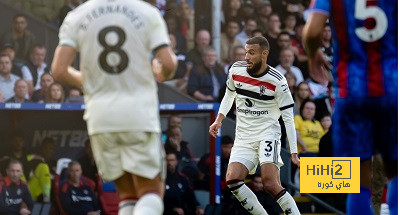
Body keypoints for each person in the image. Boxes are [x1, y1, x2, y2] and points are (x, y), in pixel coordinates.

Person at [51, 0, 178, 214]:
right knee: (151, 192)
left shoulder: (77, 15)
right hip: (138, 115)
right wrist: (160, 73)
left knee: (127, 196)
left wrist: (92, 81)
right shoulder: (147, 13)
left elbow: (59, 70)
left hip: (100, 119)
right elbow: (169, 64)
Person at [303, 1, 398, 214]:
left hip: (352, 90)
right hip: (392, 89)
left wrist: (313, 54)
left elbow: (312, 32)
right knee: (396, 171)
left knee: (358, 179)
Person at [209, 36, 300, 215]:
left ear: (264, 54)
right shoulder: (236, 70)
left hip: (268, 134)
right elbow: (229, 96)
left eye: (252, 53)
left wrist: (294, 151)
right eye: (245, 52)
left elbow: (288, 117)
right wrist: (219, 119)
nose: (247, 57)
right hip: (243, 136)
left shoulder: (278, 80)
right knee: (232, 180)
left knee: (270, 183)